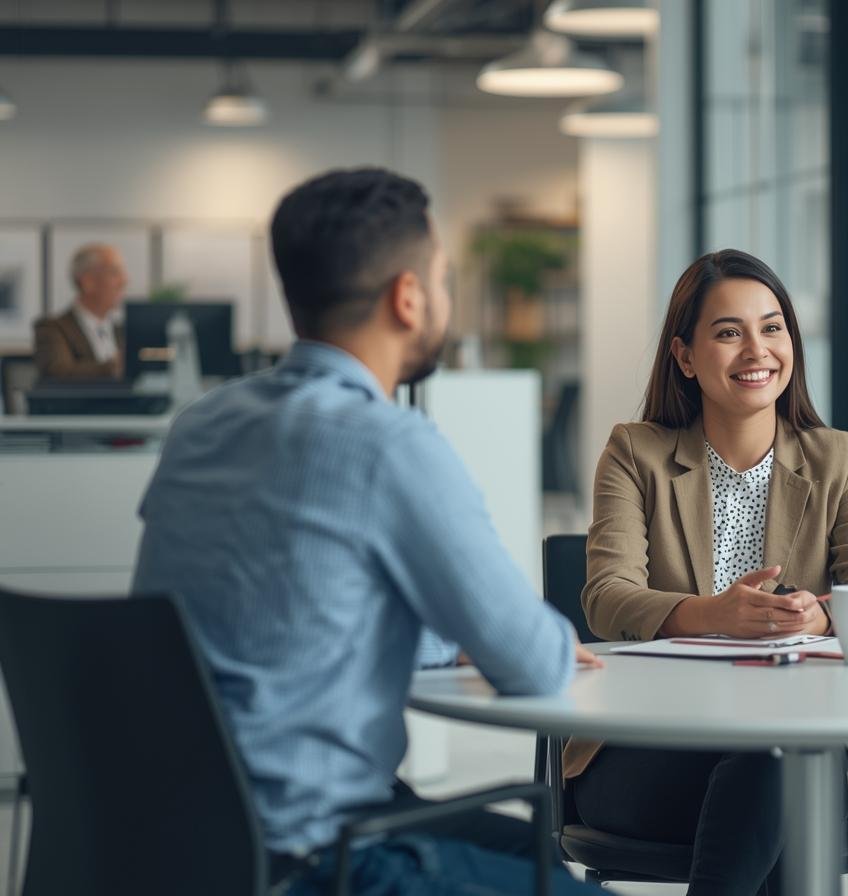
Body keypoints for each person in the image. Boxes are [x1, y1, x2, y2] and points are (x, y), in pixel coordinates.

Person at [131, 167, 604, 896]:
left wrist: (452, 637)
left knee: (529, 853)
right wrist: (527, 637)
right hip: (319, 855)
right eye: (443, 279)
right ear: (407, 299)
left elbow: (302, 621)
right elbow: (535, 666)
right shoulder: (387, 445)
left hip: (177, 838)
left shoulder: (201, 427)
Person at [570, 248, 848, 895]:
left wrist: (825, 613)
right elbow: (607, 597)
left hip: (793, 744)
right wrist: (713, 616)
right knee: (784, 801)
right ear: (685, 356)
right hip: (648, 747)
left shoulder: (838, 457)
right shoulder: (635, 452)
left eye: (772, 327)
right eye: (729, 332)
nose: (757, 350)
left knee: (778, 767)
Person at [34, 243, 127, 380]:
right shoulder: (52, 329)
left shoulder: (122, 330)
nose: (124, 281)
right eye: (114, 273)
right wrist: (114, 367)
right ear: (88, 282)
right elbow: (58, 373)